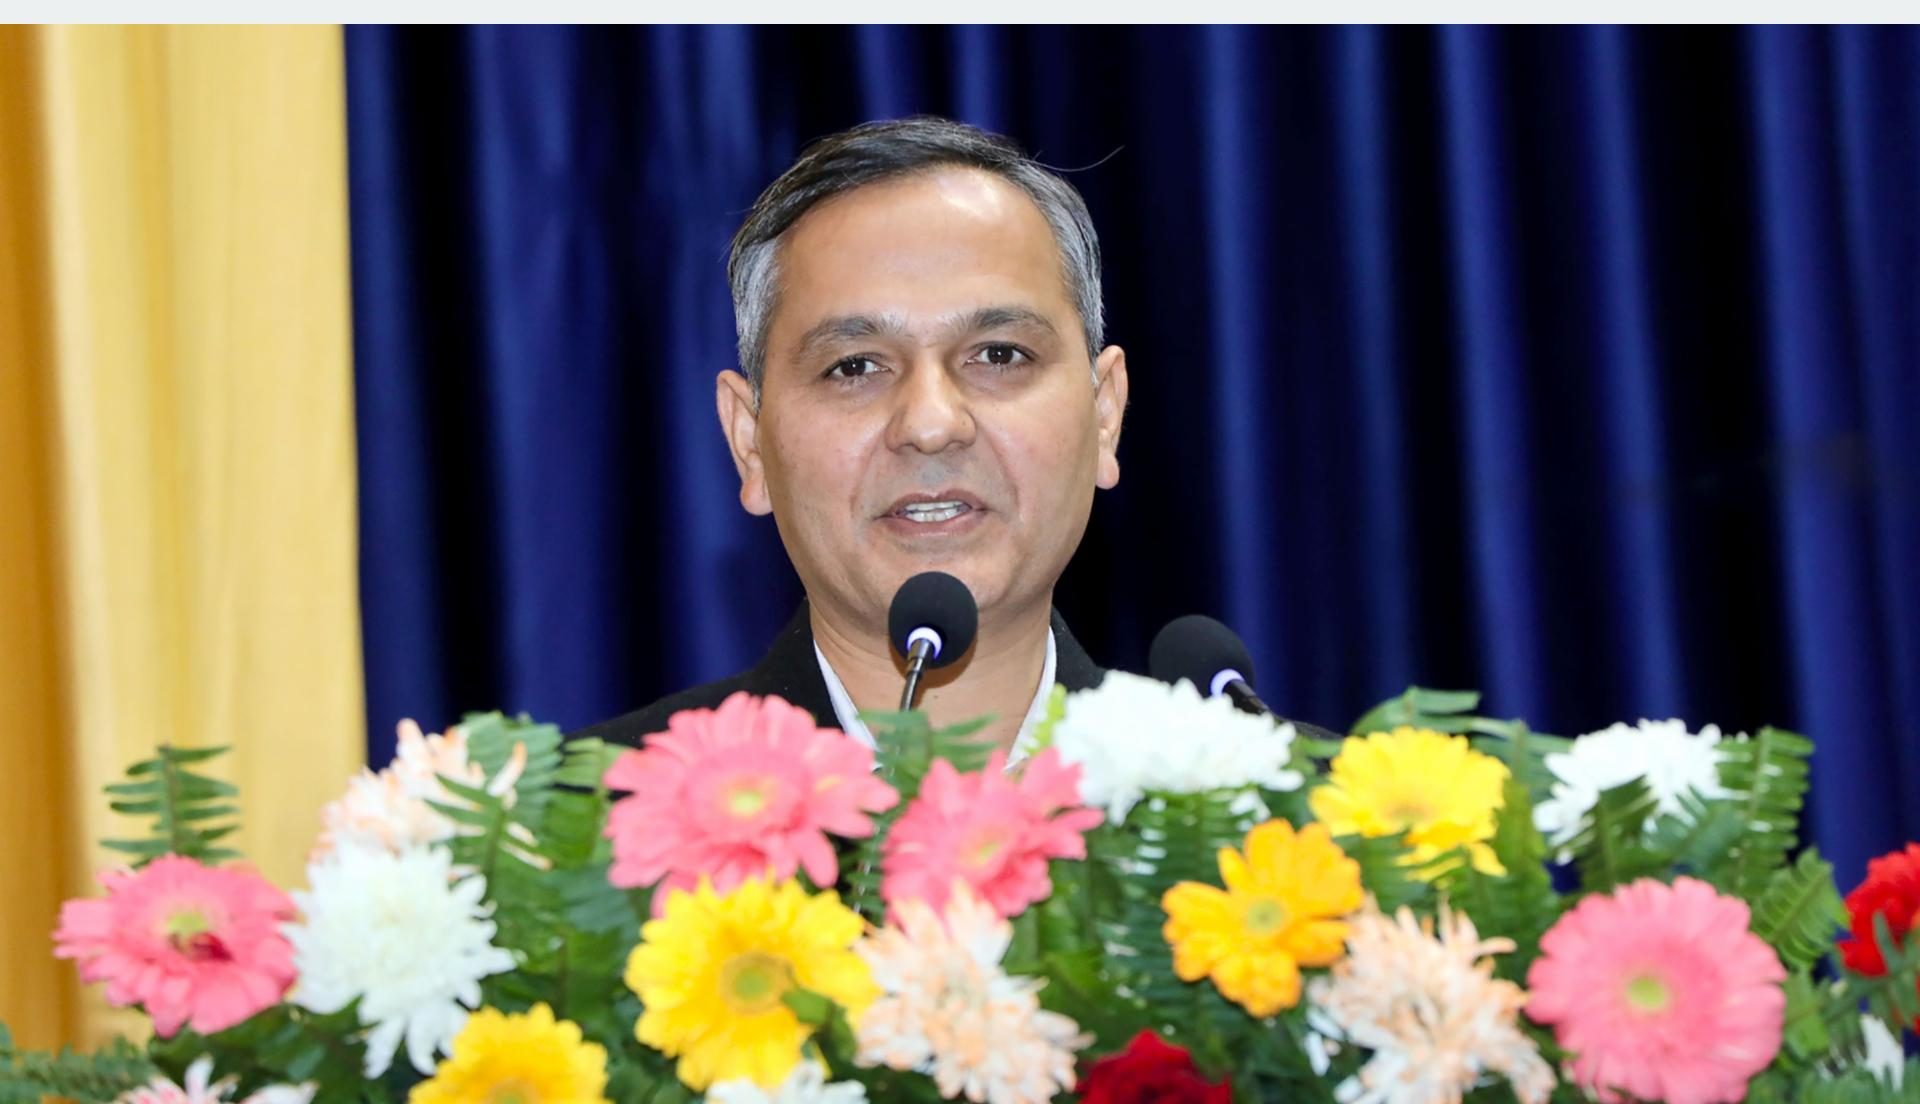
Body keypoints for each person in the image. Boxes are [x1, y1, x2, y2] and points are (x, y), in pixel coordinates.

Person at [575, 116, 1314, 755]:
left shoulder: (1312, 833)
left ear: (1104, 415)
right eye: (854, 366)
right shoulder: (573, 840)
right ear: (749, 441)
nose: (931, 425)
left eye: (999, 355)